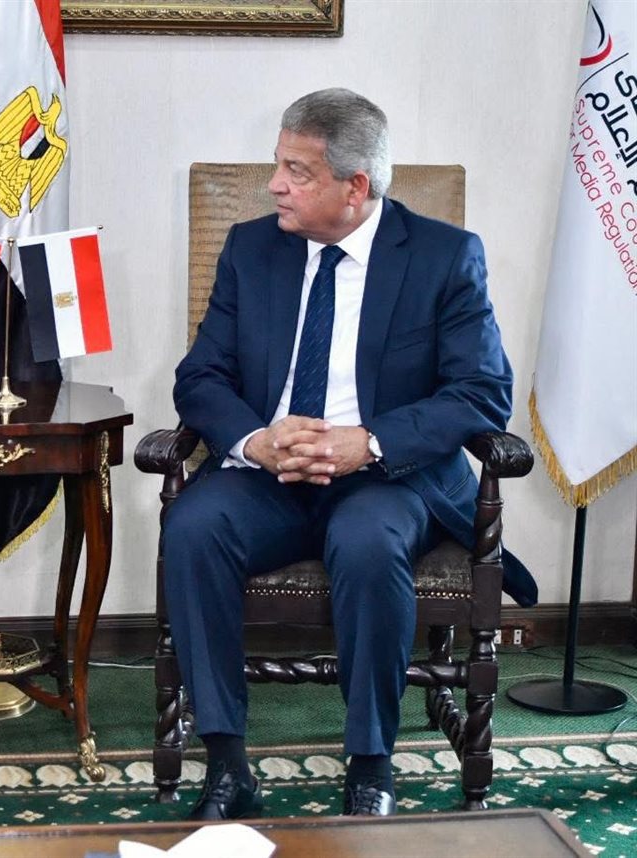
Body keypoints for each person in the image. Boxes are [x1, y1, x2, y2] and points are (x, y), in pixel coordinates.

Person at [163, 88, 537, 820]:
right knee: (193, 526)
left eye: (296, 171)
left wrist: (366, 442)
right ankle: (227, 764)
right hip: (268, 475)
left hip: (386, 479)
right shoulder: (251, 248)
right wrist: (257, 442)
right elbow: (199, 376)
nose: (275, 185)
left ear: (355, 186)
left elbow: (482, 392)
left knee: (367, 542)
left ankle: (370, 765)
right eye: (277, 164)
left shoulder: (443, 256)